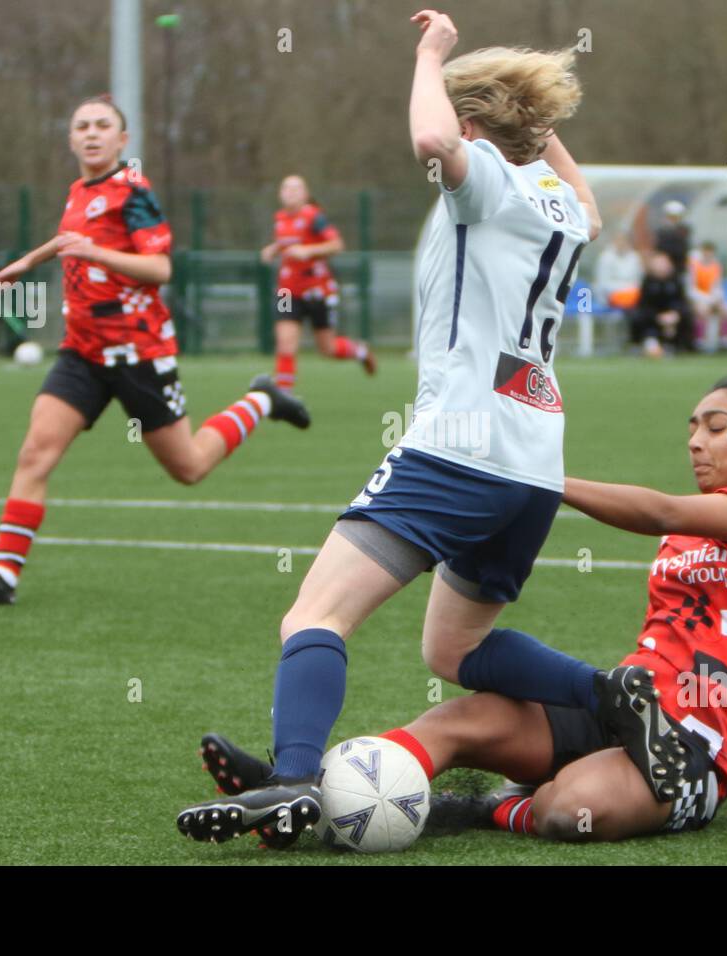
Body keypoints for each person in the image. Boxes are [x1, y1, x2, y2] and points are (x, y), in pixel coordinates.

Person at [176, 9, 627, 848]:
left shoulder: (485, 175)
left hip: (456, 448)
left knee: (315, 616)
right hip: (531, 464)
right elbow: (592, 203)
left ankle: (293, 779)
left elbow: (432, 140)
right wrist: (542, 131)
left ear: (472, 126)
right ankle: (613, 699)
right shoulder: (562, 207)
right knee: (455, 649)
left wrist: (430, 55)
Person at [195, 376, 727, 844]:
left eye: (715, 426)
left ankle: (479, 808)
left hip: (694, 749)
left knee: (568, 809)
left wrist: (540, 476)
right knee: (453, 724)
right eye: (693, 427)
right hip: (636, 710)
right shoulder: (693, 534)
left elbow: (662, 511)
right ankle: (295, 792)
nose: (695, 440)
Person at [0, 95, 310, 606]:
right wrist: (27, 262)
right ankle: (4, 577)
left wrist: (96, 252)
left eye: (103, 126)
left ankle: (262, 401)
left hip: (138, 351)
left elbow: (160, 269)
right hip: (82, 354)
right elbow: (68, 238)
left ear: (122, 140)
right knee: (35, 452)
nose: (91, 133)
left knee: (188, 467)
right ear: (71, 138)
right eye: (82, 126)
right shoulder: (78, 190)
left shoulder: (134, 194)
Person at [261, 174, 375, 389]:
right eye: (286, 188)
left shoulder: (315, 217)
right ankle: (283, 396)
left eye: (296, 188)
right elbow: (286, 243)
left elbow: (337, 245)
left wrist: (309, 251)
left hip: (317, 290)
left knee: (327, 348)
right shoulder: (281, 219)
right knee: (285, 342)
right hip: (287, 291)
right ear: (280, 194)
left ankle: (360, 351)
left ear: (305, 195)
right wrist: (273, 249)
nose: (290, 192)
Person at [629, 251, 693, 356]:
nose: (661, 268)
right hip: (653, 318)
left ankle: (683, 346)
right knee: (637, 317)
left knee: (688, 316)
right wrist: (658, 317)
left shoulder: (676, 281)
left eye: (664, 264)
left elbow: (681, 302)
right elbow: (644, 305)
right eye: (658, 264)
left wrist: (675, 315)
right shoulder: (648, 282)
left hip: (673, 317)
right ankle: (643, 343)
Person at [688, 241, 727, 352]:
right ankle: (699, 341)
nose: (708, 255)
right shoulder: (694, 266)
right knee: (702, 310)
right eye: (706, 252)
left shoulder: (716, 266)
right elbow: (691, 288)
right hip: (698, 298)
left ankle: (724, 342)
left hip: (713, 298)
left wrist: (715, 298)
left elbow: (718, 286)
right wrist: (705, 299)